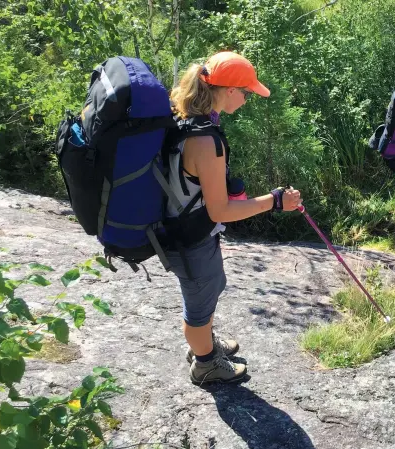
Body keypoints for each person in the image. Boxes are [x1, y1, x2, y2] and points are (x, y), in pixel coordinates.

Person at [165, 51, 302, 384]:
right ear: (228, 90)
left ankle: (205, 346)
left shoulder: (186, 118)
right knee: (199, 304)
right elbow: (221, 211)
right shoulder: (206, 141)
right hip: (190, 238)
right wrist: (274, 201)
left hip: (184, 229)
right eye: (246, 92)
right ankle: (205, 363)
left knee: (210, 288)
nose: (247, 98)